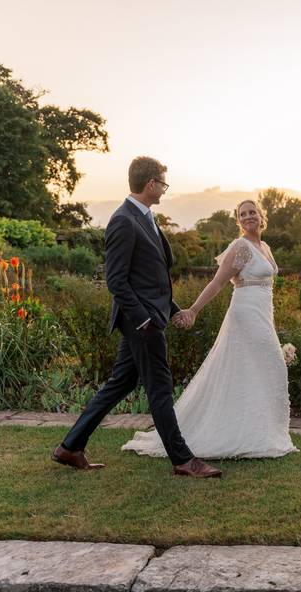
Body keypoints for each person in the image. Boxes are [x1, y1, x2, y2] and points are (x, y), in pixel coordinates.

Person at [52, 156, 222, 478]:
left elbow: (151, 278)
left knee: (120, 384)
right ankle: (183, 460)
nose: (164, 189)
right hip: (141, 323)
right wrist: (145, 320)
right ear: (151, 184)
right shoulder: (123, 220)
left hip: (150, 317)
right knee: (160, 388)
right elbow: (116, 281)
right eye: (163, 183)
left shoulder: (146, 218)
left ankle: (71, 447)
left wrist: (172, 310)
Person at [121, 200, 298, 459]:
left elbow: (266, 289)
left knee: (259, 370)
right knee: (273, 364)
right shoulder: (240, 247)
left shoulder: (266, 247)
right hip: (245, 313)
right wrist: (193, 310)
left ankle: (261, 434)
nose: (248, 217)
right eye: (243, 214)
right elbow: (217, 283)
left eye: (252, 212)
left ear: (262, 217)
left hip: (263, 314)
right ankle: (251, 435)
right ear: (238, 221)